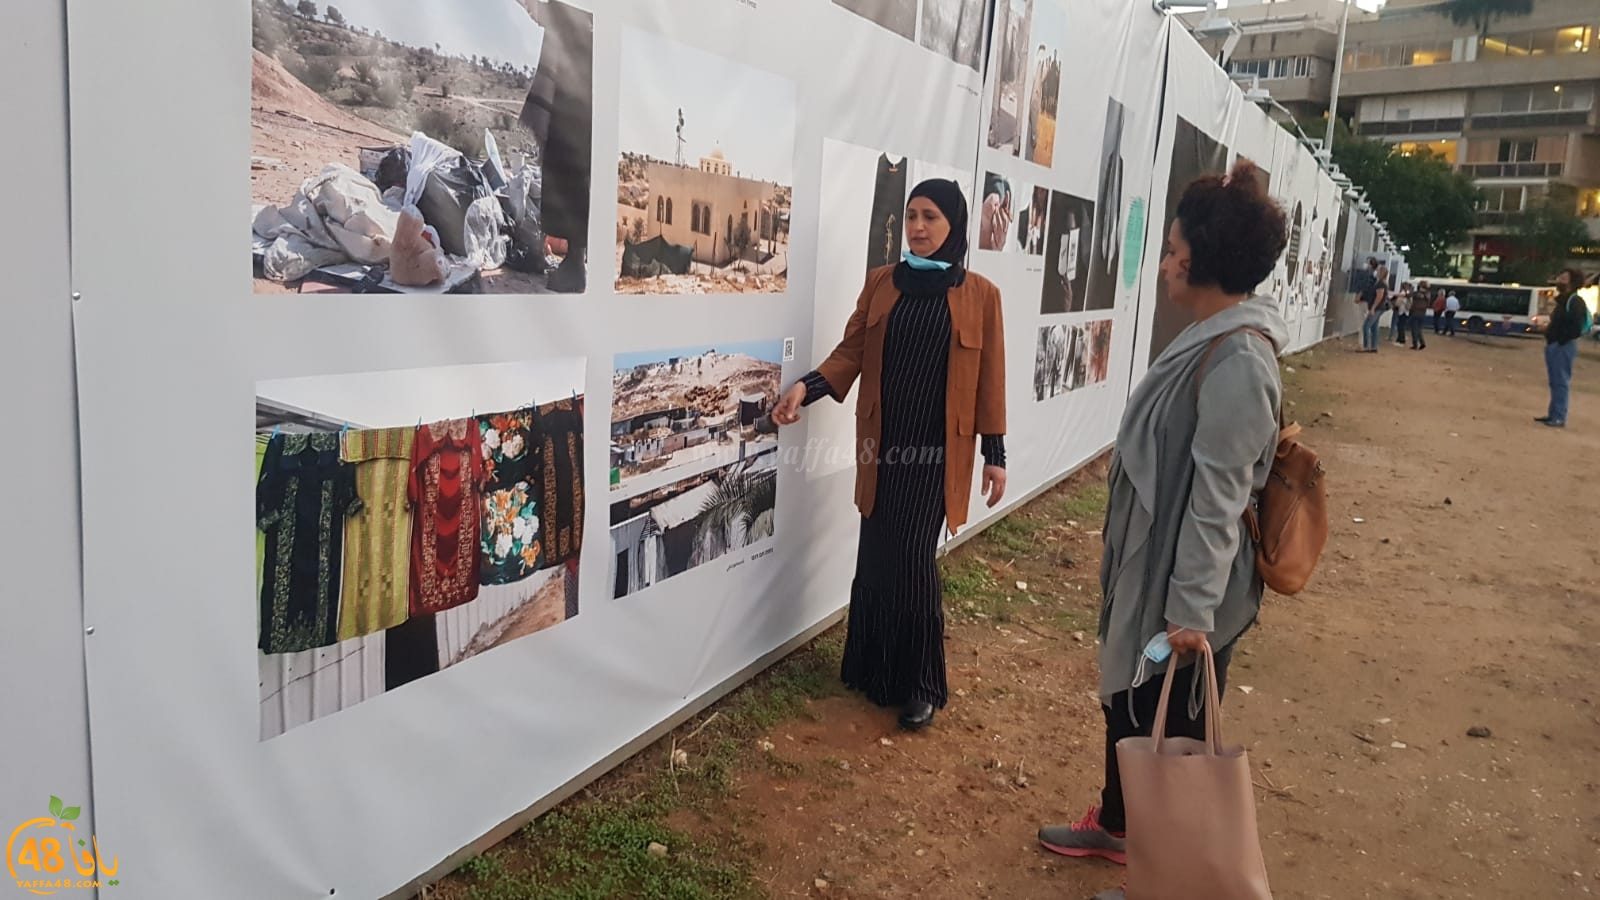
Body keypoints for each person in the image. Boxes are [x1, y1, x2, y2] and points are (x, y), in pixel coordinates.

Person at [1036, 160, 1287, 900]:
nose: (1167, 257)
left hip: (1186, 594)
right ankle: (1118, 827)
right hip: (1158, 574)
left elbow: (1218, 497)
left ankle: (1171, 878)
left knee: (1167, 725)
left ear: (1199, 258)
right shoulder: (1214, 334)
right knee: (1130, 704)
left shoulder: (1238, 357)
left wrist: (1190, 615)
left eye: (1174, 244)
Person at [770, 179, 1007, 731]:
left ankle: (919, 681)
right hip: (882, 447)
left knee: (913, 561)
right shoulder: (881, 284)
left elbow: (990, 380)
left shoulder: (982, 296)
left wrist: (994, 454)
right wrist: (806, 387)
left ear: (955, 226)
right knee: (876, 553)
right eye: (911, 216)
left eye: (931, 218)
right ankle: (873, 669)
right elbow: (851, 349)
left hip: (936, 454)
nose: (918, 228)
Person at [1537, 268, 1588, 428]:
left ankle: (1558, 417)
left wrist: (1560, 340)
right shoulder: (1563, 301)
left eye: (1563, 278)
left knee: (1560, 381)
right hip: (1556, 345)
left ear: (1572, 282)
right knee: (1555, 381)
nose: (1559, 280)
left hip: (1562, 346)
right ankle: (1554, 414)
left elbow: (1576, 328)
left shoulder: (1575, 302)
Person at [1408, 280, 1430, 349]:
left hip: (1415, 312)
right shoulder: (1428, 294)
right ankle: (1422, 342)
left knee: (1414, 329)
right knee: (1419, 329)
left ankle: (1415, 344)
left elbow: (1408, 295)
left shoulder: (1416, 293)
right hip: (1423, 312)